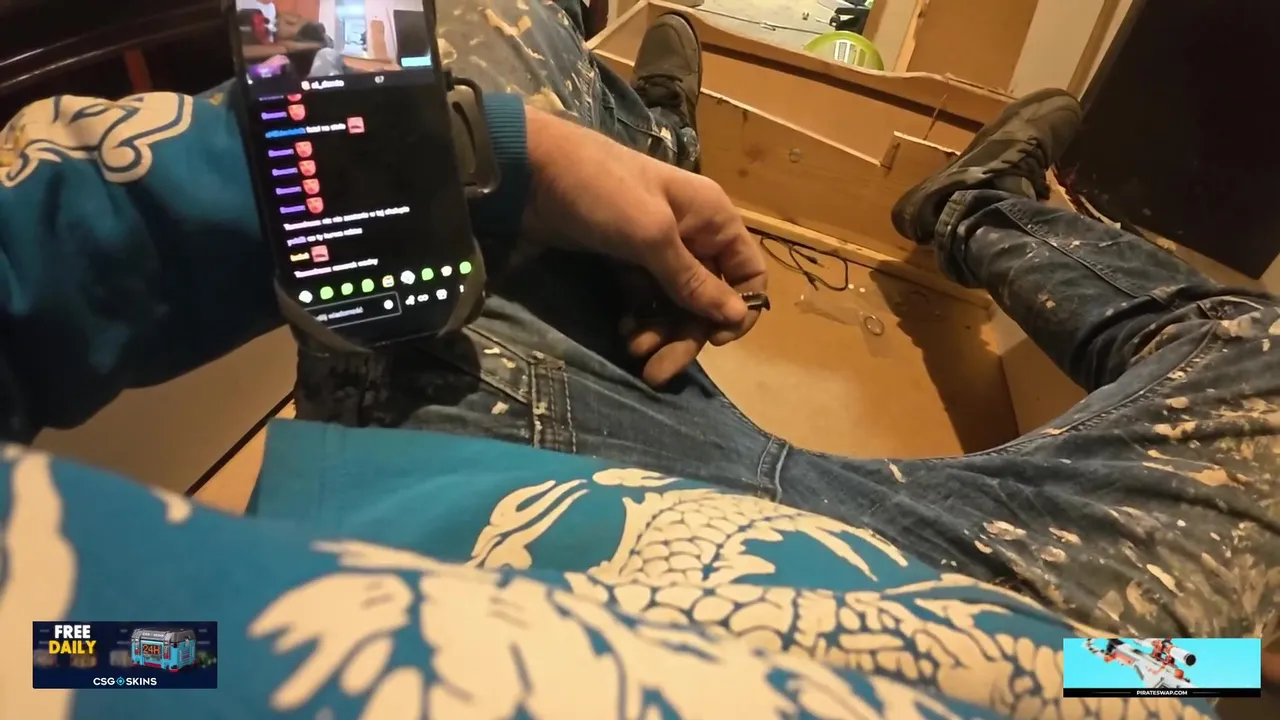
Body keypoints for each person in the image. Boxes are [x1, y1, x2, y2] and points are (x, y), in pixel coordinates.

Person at [0, 1, 1275, 718]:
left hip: (493, 465)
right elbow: (1116, 680)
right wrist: (1215, 673)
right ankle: (974, 206)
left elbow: (95, 643)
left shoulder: (76, 644)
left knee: (389, 25)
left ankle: (647, 137)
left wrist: (500, 159)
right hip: (987, 631)